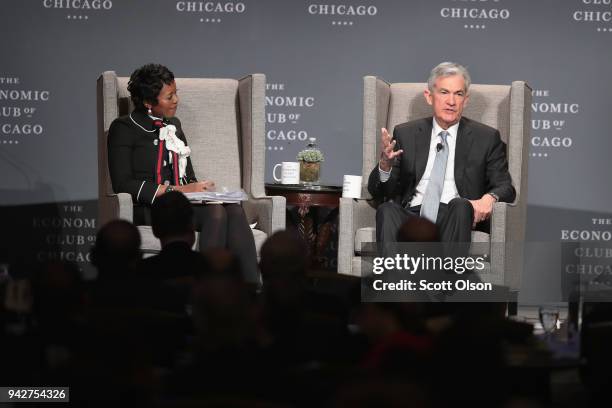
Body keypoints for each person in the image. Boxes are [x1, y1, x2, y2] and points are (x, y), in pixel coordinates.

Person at [107, 63, 258, 283]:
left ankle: (250, 287)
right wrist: (179, 190)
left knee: (233, 209)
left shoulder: (174, 125)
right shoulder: (123, 128)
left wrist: (201, 190)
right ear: (148, 102)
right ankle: (205, 285)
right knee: (216, 214)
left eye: (176, 93)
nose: (176, 100)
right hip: (150, 207)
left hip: (182, 203)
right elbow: (123, 184)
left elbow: (188, 175)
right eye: (169, 97)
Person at [368, 62, 515, 245]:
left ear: (466, 100)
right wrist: (384, 165)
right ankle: (395, 273)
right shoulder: (406, 134)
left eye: (458, 94)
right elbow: (378, 191)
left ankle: (447, 273)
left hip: (455, 216)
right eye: (444, 92)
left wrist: (489, 198)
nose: (451, 101)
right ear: (429, 97)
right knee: (386, 210)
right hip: (413, 213)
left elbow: (506, 187)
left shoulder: (486, 137)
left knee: (461, 205)